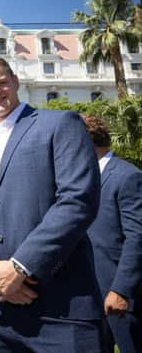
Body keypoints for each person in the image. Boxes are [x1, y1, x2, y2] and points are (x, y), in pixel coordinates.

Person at [0, 56, 104, 352]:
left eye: (0, 83)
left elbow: (78, 200)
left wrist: (20, 269)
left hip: (61, 310)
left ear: (15, 82)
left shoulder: (60, 124)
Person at [83, 115, 142, 353]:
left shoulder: (127, 176)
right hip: (89, 297)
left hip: (122, 298)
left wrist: (120, 290)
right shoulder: (81, 181)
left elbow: (137, 237)